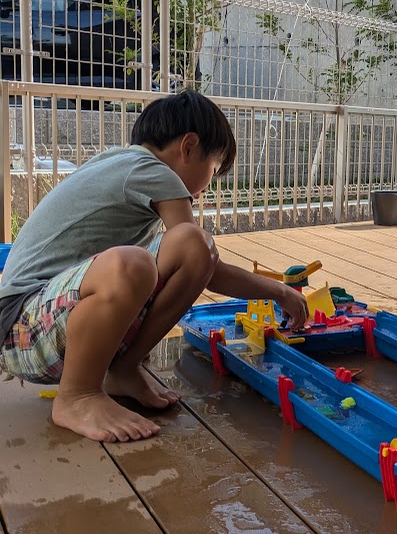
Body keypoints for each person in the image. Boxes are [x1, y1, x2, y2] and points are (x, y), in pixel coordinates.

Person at [0, 90, 308, 444]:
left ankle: (122, 369)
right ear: (188, 147)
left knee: (161, 255)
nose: (206, 189)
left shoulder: (124, 164)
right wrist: (279, 291)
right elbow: (205, 262)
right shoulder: (151, 171)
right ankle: (78, 396)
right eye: (213, 170)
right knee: (168, 252)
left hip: (34, 326)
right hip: (22, 328)